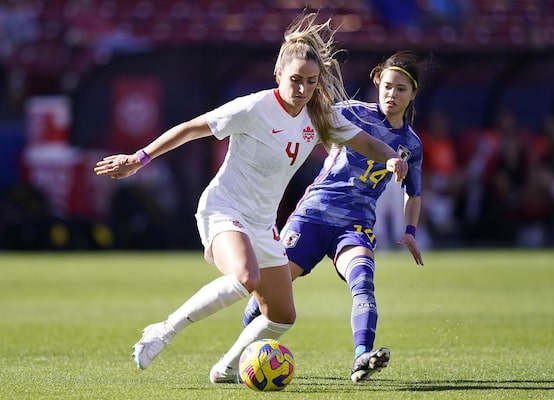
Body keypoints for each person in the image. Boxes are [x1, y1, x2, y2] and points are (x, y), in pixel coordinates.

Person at [93, 12, 408, 384]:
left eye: (311, 81)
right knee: (245, 277)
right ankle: (162, 331)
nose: (303, 89)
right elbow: (191, 128)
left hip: (262, 223)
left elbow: (366, 143)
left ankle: (226, 368)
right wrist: (139, 158)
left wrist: (391, 157)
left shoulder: (320, 116)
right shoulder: (254, 107)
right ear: (279, 74)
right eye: (296, 80)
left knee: (282, 316)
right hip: (224, 207)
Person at [242, 51, 425, 383]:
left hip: (355, 225)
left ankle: (361, 358)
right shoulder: (353, 113)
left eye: (400, 89)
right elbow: (309, 114)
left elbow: (413, 192)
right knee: (270, 289)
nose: (391, 94)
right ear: (377, 83)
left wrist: (410, 230)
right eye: (387, 86)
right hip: (314, 215)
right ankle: (245, 354)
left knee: (363, 282)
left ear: (413, 94)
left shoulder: (411, 145)